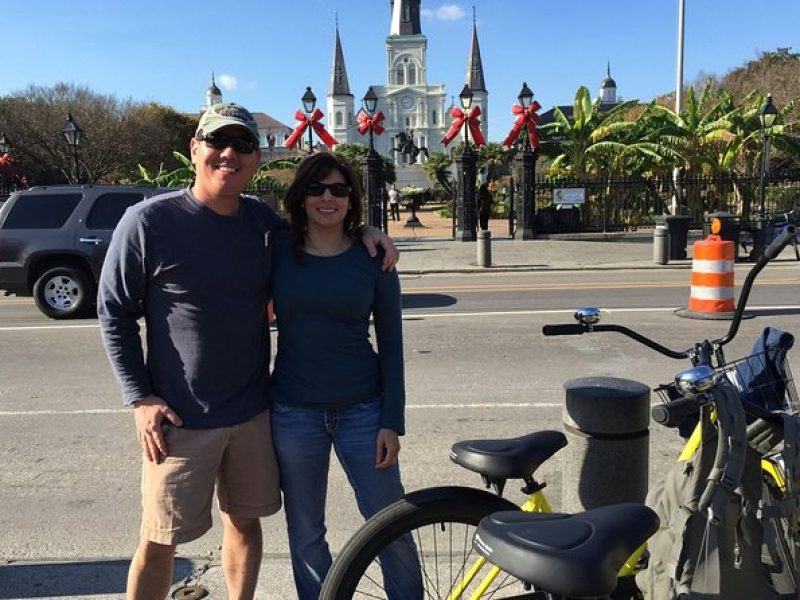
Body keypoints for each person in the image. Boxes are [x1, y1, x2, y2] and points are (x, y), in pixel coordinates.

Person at [97, 102, 398, 600]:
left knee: (245, 524)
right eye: (217, 142)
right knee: (159, 539)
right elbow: (114, 314)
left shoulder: (261, 221)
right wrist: (140, 398)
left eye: (242, 145)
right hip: (180, 418)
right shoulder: (147, 222)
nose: (229, 154)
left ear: (256, 159)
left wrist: (363, 229)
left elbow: (321, 224)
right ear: (195, 149)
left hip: (255, 413)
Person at [270, 152, 422, 599]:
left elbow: (392, 345)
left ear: (352, 199)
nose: (327, 198)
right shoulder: (277, 249)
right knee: (305, 532)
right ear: (299, 197)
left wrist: (391, 421)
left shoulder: (373, 257)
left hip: (363, 411)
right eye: (316, 188)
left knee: (391, 524)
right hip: (294, 413)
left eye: (339, 189)